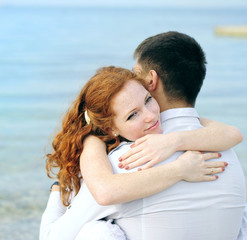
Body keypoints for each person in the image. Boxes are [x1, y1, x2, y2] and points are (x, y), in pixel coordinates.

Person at [65, 31, 245, 239]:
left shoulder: (129, 161)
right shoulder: (229, 157)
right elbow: (232, 133)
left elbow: (56, 234)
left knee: (95, 231)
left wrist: (59, 188)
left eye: (136, 73)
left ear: (151, 80)